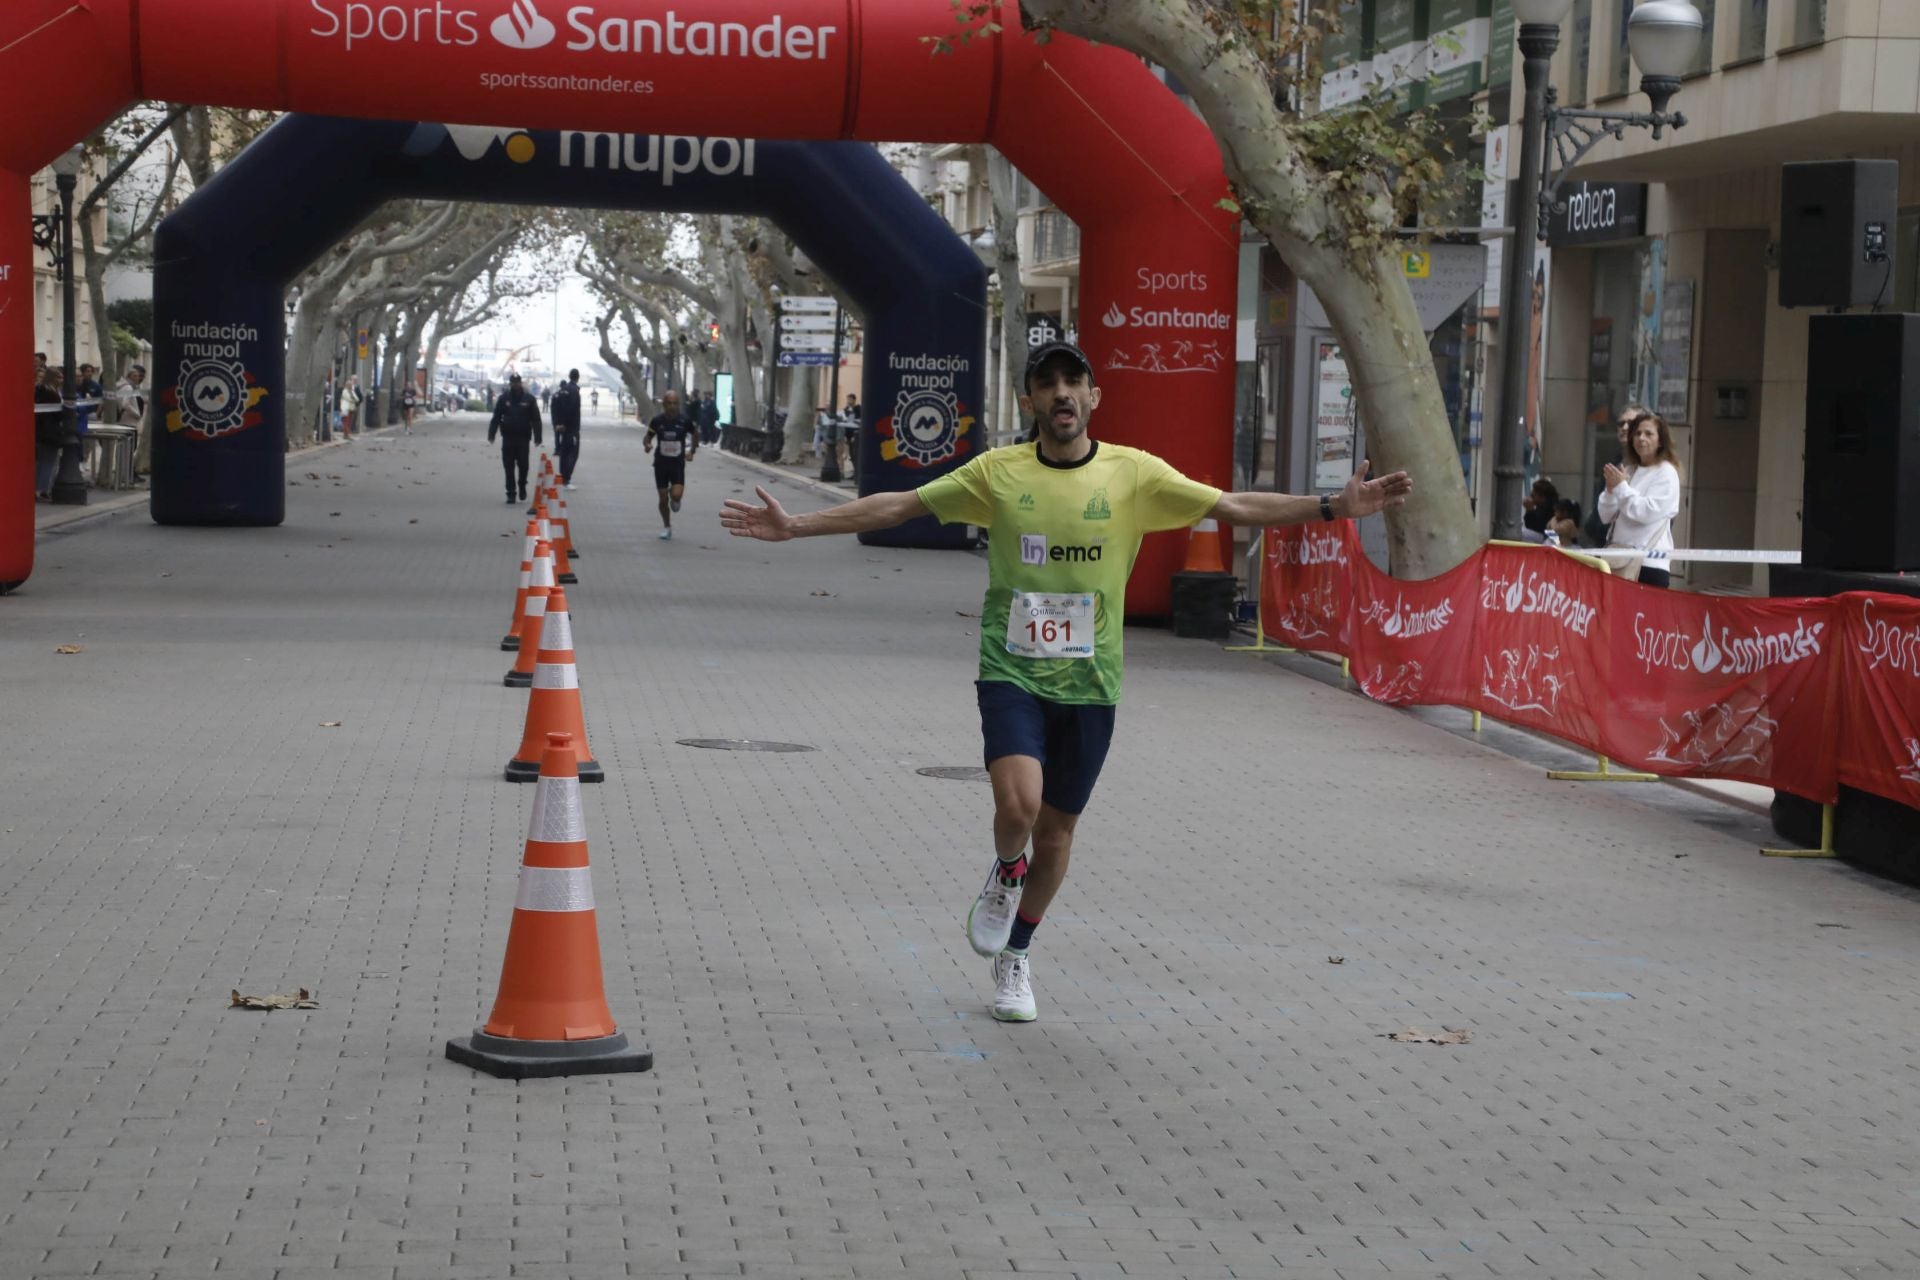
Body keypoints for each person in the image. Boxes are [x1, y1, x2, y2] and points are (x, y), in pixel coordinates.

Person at [720, 340, 1413, 1023]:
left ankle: (1016, 953)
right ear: (1031, 401)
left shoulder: (1132, 474)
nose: (1061, 394)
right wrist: (798, 526)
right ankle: (1005, 870)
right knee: (1019, 810)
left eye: (1072, 382)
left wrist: (1333, 508)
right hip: (1011, 670)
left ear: (1092, 397)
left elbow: (1232, 506)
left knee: (1057, 832)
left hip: (1092, 683)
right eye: (1047, 384)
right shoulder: (998, 472)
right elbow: (899, 506)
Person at [1598, 411, 1682, 587]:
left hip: (1649, 565)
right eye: (1637, 433)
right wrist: (1610, 490)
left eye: (1648, 433)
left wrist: (1621, 487)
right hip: (1619, 560)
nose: (1641, 438)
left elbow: (1646, 512)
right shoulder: (1630, 470)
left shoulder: (1666, 472)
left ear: (1660, 441)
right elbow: (1605, 515)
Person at [644, 390, 698, 540]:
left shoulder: (684, 421)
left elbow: (695, 434)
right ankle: (667, 527)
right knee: (662, 500)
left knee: (676, 495)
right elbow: (647, 437)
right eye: (669, 403)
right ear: (664, 404)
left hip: (677, 464)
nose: (672, 406)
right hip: (661, 464)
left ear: (678, 404)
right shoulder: (657, 421)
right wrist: (647, 445)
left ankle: (674, 497)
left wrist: (692, 451)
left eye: (675, 403)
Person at [487, 372, 543, 504]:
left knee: (524, 466)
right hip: (508, 438)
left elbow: (536, 419)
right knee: (508, 466)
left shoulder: (529, 399)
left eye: (518, 382)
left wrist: (538, 436)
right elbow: (496, 417)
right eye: (513, 382)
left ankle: (522, 485)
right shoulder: (503, 398)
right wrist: (491, 434)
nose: (516, 384)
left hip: (523, 438)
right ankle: (511, 493)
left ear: (521, 383)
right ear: (510, 383)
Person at [551, 368, 583, 488]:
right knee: (573, 453)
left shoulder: (561, 391)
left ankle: (562, 476)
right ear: (577, 377)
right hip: (572, 428)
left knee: (564, 452)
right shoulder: (574, 391)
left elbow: (554, 408)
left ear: (569, 376)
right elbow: (571, 409)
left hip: (562, 428)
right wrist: (564, 423)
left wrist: (557, 424)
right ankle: (566, 478)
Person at [1521, 477, 1559, 543]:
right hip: (1548, 536)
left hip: (1554, 537)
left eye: (1533, 496)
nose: (1531, 498)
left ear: (1542, 497)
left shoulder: (1553, 508)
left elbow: (1541, 527)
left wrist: (1530, 510)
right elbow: (1531, 527)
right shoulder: (1541, 506)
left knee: (1522, 533)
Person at [338, 374, 363, 441]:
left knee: (349, 422)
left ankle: (346, 434)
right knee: (346, 421)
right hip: (346, 408)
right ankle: (346, 434)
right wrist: (353, 399)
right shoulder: (345, 391)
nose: (350, 385)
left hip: (352, 408)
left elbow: (357, 398)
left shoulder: (352, 391)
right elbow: (349, 398)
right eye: (349, 384)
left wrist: (354, 399)